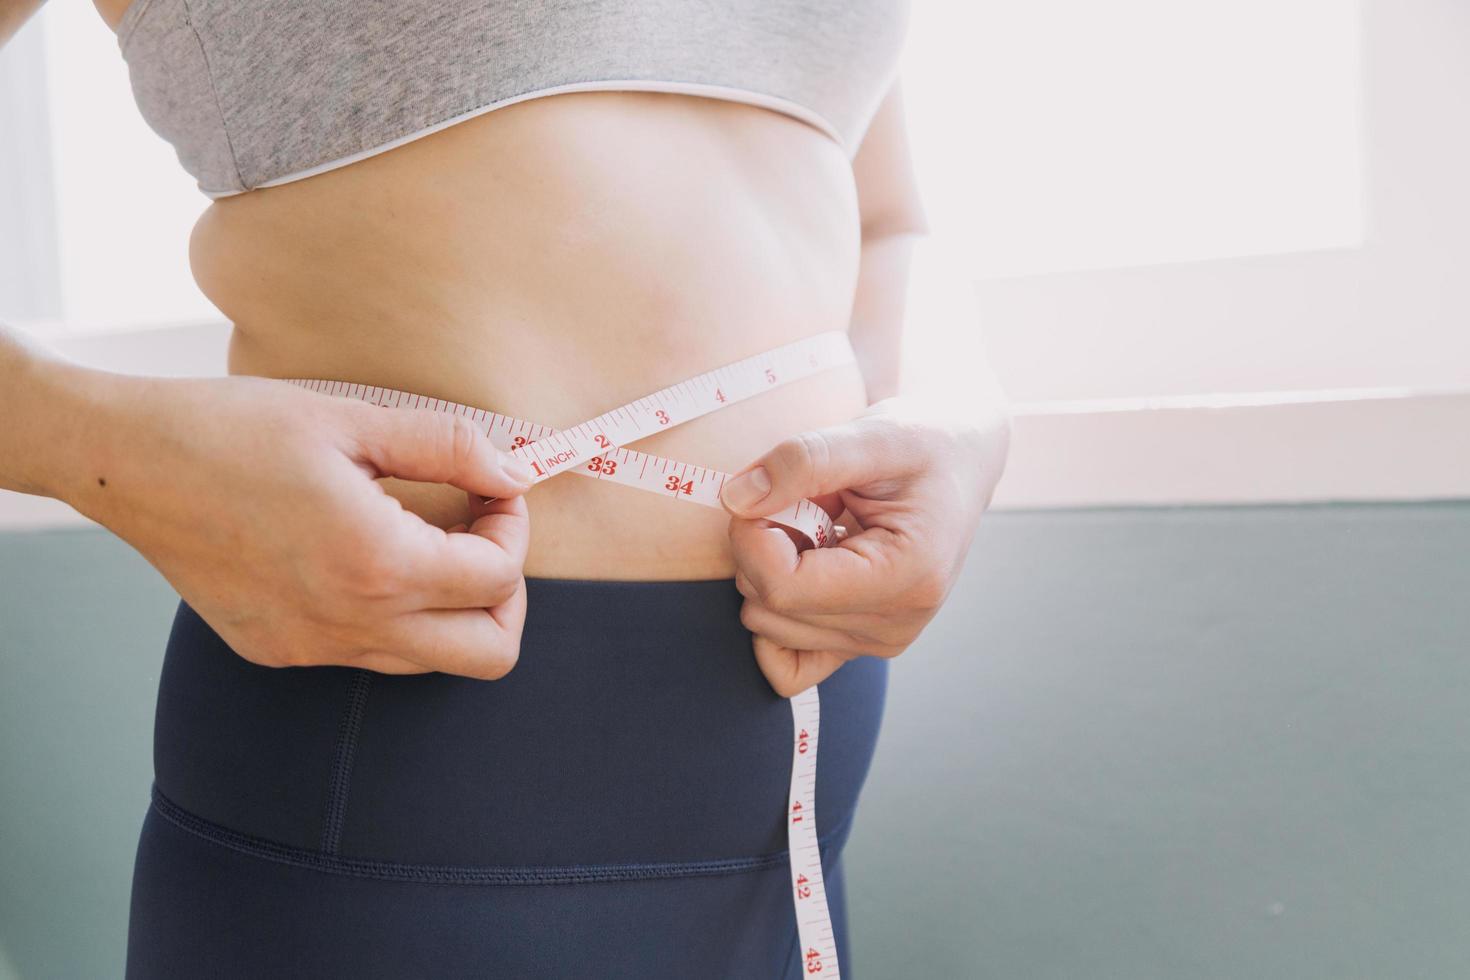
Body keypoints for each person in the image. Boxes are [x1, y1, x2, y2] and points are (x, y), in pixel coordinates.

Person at [0, 0, 1011, 975]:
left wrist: (964, 415)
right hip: (394, 767)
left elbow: (889, 224)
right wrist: (107, 446)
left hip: (786, 783)